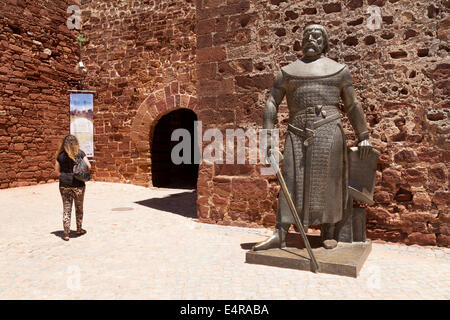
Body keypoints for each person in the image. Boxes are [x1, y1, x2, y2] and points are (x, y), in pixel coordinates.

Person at [253, 24, 372, 251]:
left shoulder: (339, 71)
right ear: (301, 41)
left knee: (330, 181)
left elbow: (352, 104)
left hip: (329, 130)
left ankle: (329, 230)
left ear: (325, 42)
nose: (311, 39)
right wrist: (268, 139)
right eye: (307, 35)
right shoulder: (287, 72)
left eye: (317, 36)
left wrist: (363, 135)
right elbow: (271, 102)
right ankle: (281, 232)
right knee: (290, 179)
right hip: (297, 132)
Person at [54, 134, 91, 241]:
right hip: (78, 184)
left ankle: (66, 233)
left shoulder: (60, 156)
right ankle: (79, 229)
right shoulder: (80, 153)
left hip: (64, 185)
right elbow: (89, 166)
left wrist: (65, 175)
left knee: (66, 208)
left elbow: (56, 172)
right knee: (79, 208)